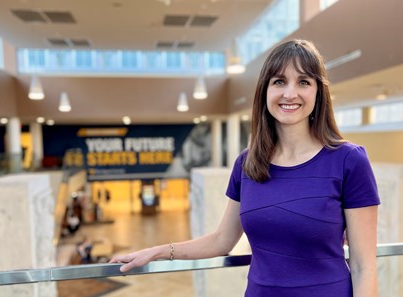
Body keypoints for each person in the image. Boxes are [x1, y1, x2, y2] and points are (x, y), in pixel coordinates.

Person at [110, 39, 380, 297]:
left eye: (304, 82)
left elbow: (363, 266)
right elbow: (221, 241)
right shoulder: (248, 163)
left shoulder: (348, 160)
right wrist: (156, 252)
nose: (290, 93)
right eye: (279, 81)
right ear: (265, 91)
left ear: (318, 92)